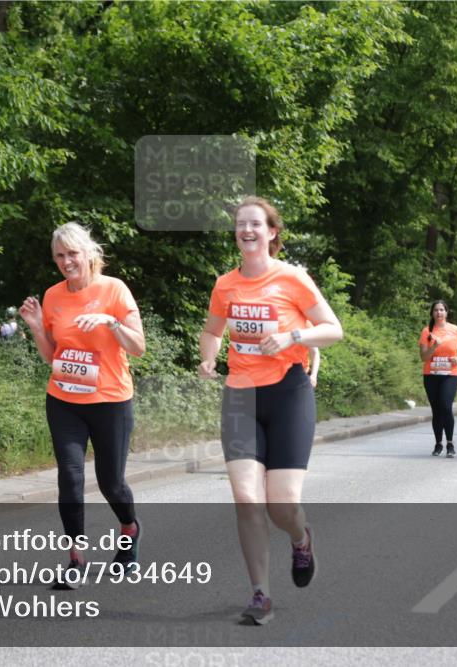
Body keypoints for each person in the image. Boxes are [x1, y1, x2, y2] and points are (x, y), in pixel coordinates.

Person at [198, 196, 343, 625]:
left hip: (289, 393)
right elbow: (212, 330)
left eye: (255, 224)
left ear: (272, 232)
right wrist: (208, 356)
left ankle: (300, 539)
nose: (247, 230)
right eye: (241, 224)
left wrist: (292, 336)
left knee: (283, 506)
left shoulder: (293, 278)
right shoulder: (225, 284)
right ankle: (260, 594)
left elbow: (333, 329)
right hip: (240, 394)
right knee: (246, 498)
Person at [19, 222, 145, 587]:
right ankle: (75, 559)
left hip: (110, 400)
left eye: (72, 253)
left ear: (89, 253)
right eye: (59, 255)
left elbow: (138, 347)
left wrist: (110, 322)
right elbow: (52, 357)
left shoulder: (114, 290)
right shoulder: (53, 295)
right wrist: (36, 327)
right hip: (64, 399)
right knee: (70, 478)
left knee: (111, 483)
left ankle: (129, 529)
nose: (66, 261)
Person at [418, 300, 457, 457]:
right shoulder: (427, 331)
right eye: (436, 310)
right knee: (436, 410)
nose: (439, 313)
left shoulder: (455, 330)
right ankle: (438, 443)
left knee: (446, 406)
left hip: (449, 374)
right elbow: (423, 357)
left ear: (447, 312)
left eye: (442, 310)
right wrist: (434, 346)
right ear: (432, 313)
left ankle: (450, 443)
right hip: (431, 375)